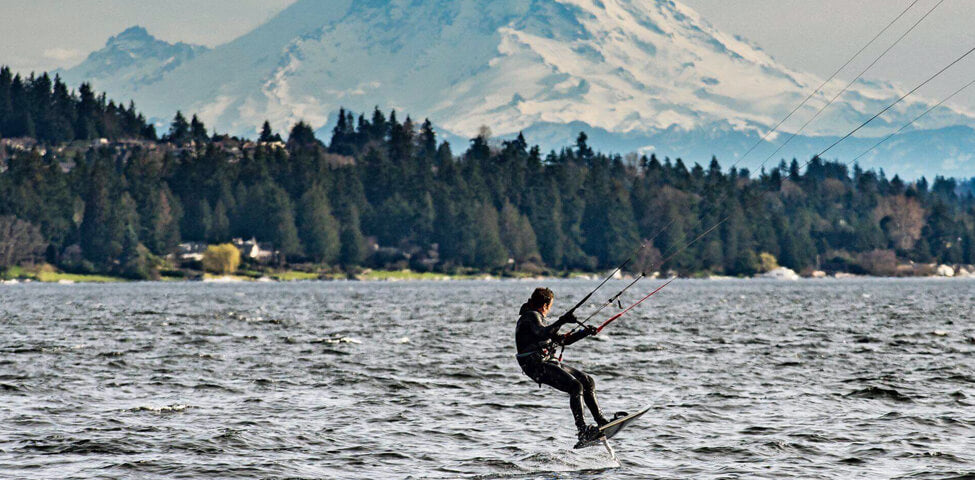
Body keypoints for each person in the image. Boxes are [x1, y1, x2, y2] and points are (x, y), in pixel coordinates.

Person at [515, 287, 625, 443]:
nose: (549, 309)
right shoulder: (530, 316)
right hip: (535, 365)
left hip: (546, 362)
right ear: (546, 305)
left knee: (586, 381)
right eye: (550, 306)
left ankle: (601, 421)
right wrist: (563, 320)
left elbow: (562, 340)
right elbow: (542, 333)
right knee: (576, 386)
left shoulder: (539, 318)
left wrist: (585, 332)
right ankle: (582, 431)